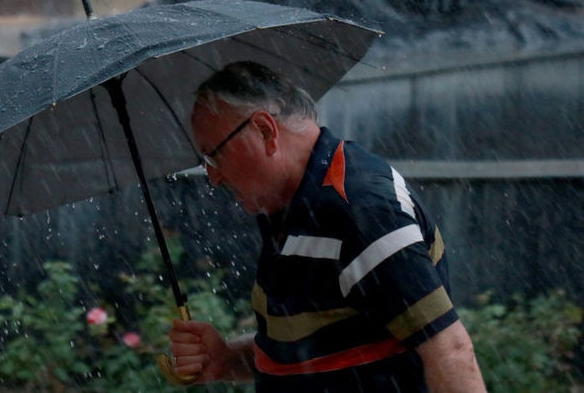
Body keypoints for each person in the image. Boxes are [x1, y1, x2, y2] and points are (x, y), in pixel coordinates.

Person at [169, 61, 485, 392]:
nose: (212, 177)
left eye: (214, 156)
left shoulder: (360, 211)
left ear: (264, 130)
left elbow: (449, 350)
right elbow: (317, 350)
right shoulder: (294, 207)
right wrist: (227, 360)